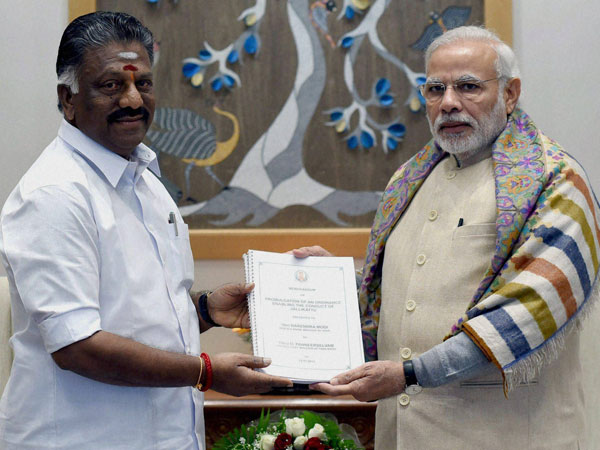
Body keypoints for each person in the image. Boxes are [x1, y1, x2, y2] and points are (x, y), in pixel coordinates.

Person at [295, 26, 599, 449]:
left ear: (510, 93)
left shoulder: (556, 180)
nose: (449, 103)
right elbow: (397, 299)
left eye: (469, 87)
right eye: (435, 89)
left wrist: (410, 374)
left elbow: (527, 310)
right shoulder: (410, 179)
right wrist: (339, 287)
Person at [0, 11, 291, 449]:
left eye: (144, 84)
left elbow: (136, 315)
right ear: (68, 99)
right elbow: (76, 345)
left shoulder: (146, 181)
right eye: (112, 85)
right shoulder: (55, 194)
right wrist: (205, 372)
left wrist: (208, 309)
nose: (134, 100)